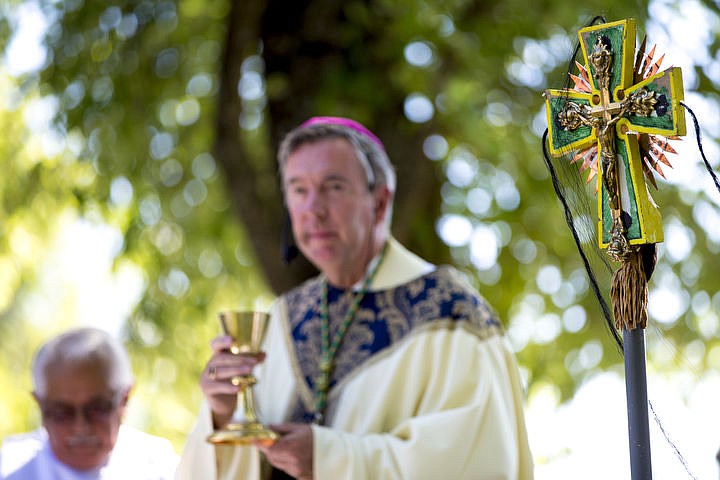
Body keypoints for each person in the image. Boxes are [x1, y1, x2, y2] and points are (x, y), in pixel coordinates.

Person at [176, 116, 534, 479]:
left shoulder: (453, 314)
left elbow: (472, 461)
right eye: (298, 190)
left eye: (333, 187)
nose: (313, 208)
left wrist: (332, 459)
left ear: (379, 202)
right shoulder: (284, 317)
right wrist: (223, 412)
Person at [0, 327, 179, 479]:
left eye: (98, 409)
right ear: (40, 405)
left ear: (124, 400)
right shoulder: (10, 470)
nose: (81, 427)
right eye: (62, 412)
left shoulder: (161, 469)